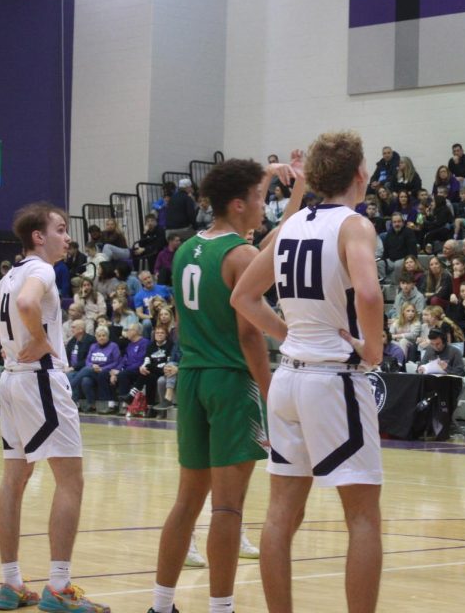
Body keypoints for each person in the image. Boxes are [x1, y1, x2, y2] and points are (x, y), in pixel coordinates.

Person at [231, 130, 384, 613]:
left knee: (280, 515)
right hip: (332, 380)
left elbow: (243, 297)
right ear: (359, 173)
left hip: (288, 381)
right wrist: (374, 349)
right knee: (362, 518)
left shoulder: (289, 227)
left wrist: (286, 334)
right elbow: (370, 293)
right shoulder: (353, 225)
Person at [148, 154, 302, 613]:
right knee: (228, 508)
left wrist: (293, 188)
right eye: (259, 198)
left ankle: (160, 605)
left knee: (187, 503)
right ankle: (221, 608)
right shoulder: (240, 254)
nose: (263, 206)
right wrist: (271, 387)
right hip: (230, 381)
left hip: (192, 378)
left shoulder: (186, 250)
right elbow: (249, 332)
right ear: (238, 204)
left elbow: (272, 242)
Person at [0, 202, 109, 613]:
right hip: (40, 379)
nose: (67, 237)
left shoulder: (12, 274)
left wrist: (12, 339)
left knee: (14, 481)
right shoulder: (41, 271)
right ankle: (59, 588)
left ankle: (11, 584)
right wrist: (42, 341)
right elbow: (29, 306)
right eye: (61, 229)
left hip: (12, 380)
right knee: (70, 481)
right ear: (38, 237)